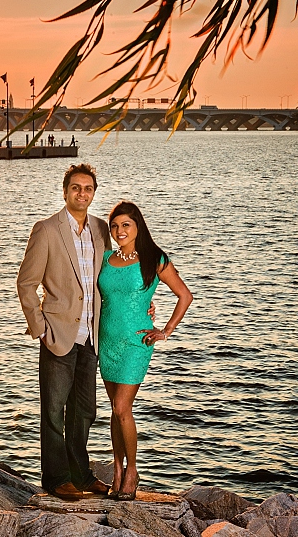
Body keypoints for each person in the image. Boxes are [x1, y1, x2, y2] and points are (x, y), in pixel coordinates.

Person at [16, 163, 112, 500]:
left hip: (91, 335)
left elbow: (110, 278)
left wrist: (141, 303)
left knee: (85, 410)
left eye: (87, 188)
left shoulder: (102, 230)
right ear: (65, 191)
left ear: (93, 193)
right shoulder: (46, 230)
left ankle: (81, 475)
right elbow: (26, 284)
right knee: (54, 411)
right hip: (57, 333)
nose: (81, 193)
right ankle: (56, 479)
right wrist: (39, 327)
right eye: (76, 188)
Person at [97, 201, 192, 501]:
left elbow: (185, 295)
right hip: (107, 341)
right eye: (114, 226)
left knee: (122, 408)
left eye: (125, 224)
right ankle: (117, 468)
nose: (119, 231)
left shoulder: (154, 259)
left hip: (137, 343)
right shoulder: (105, 259)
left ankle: (133, 471)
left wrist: (165, 330)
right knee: (115, 411)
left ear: (138, 225)